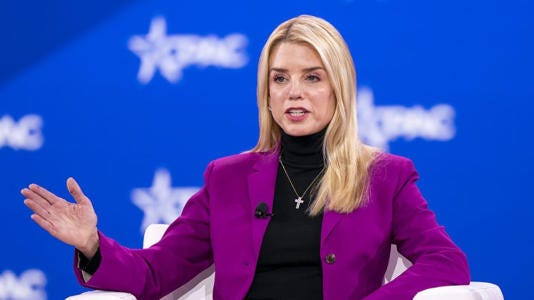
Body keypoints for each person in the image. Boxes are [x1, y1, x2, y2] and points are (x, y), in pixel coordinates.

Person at [22, 15, 469, 300]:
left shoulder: (385, 176)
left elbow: (446, 262)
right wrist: (93, 245)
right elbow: (155, 273)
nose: (294, 91)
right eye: (280, 79)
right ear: (266, 92)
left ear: (339, 89)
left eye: (312, 77)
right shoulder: (227, 179)